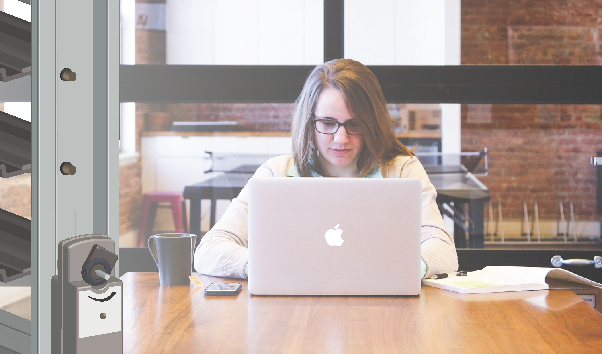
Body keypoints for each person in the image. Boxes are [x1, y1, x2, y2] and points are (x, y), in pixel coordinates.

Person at [193, 59, 459, 279]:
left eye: (355, 124)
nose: (341, 139)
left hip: (382, 310)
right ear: (309, 122)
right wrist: (267, 267)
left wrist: (397, 270)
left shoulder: (402, 171)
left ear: (372, 123)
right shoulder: (276, 174)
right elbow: (209, 251)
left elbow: (444, 252)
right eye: (328, 123)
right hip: (292, 312)